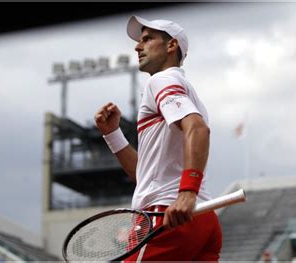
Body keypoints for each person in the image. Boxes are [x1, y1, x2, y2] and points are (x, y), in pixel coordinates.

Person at [94, 15, 222, 261]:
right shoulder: (184, 90)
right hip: (203, 220)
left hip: (166, 215)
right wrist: (112, 134)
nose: (137, 46)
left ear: (171, 45)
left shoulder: (161, 80)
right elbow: (144, 175)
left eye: (147, 39)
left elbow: (198, 129)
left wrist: (187, 192)